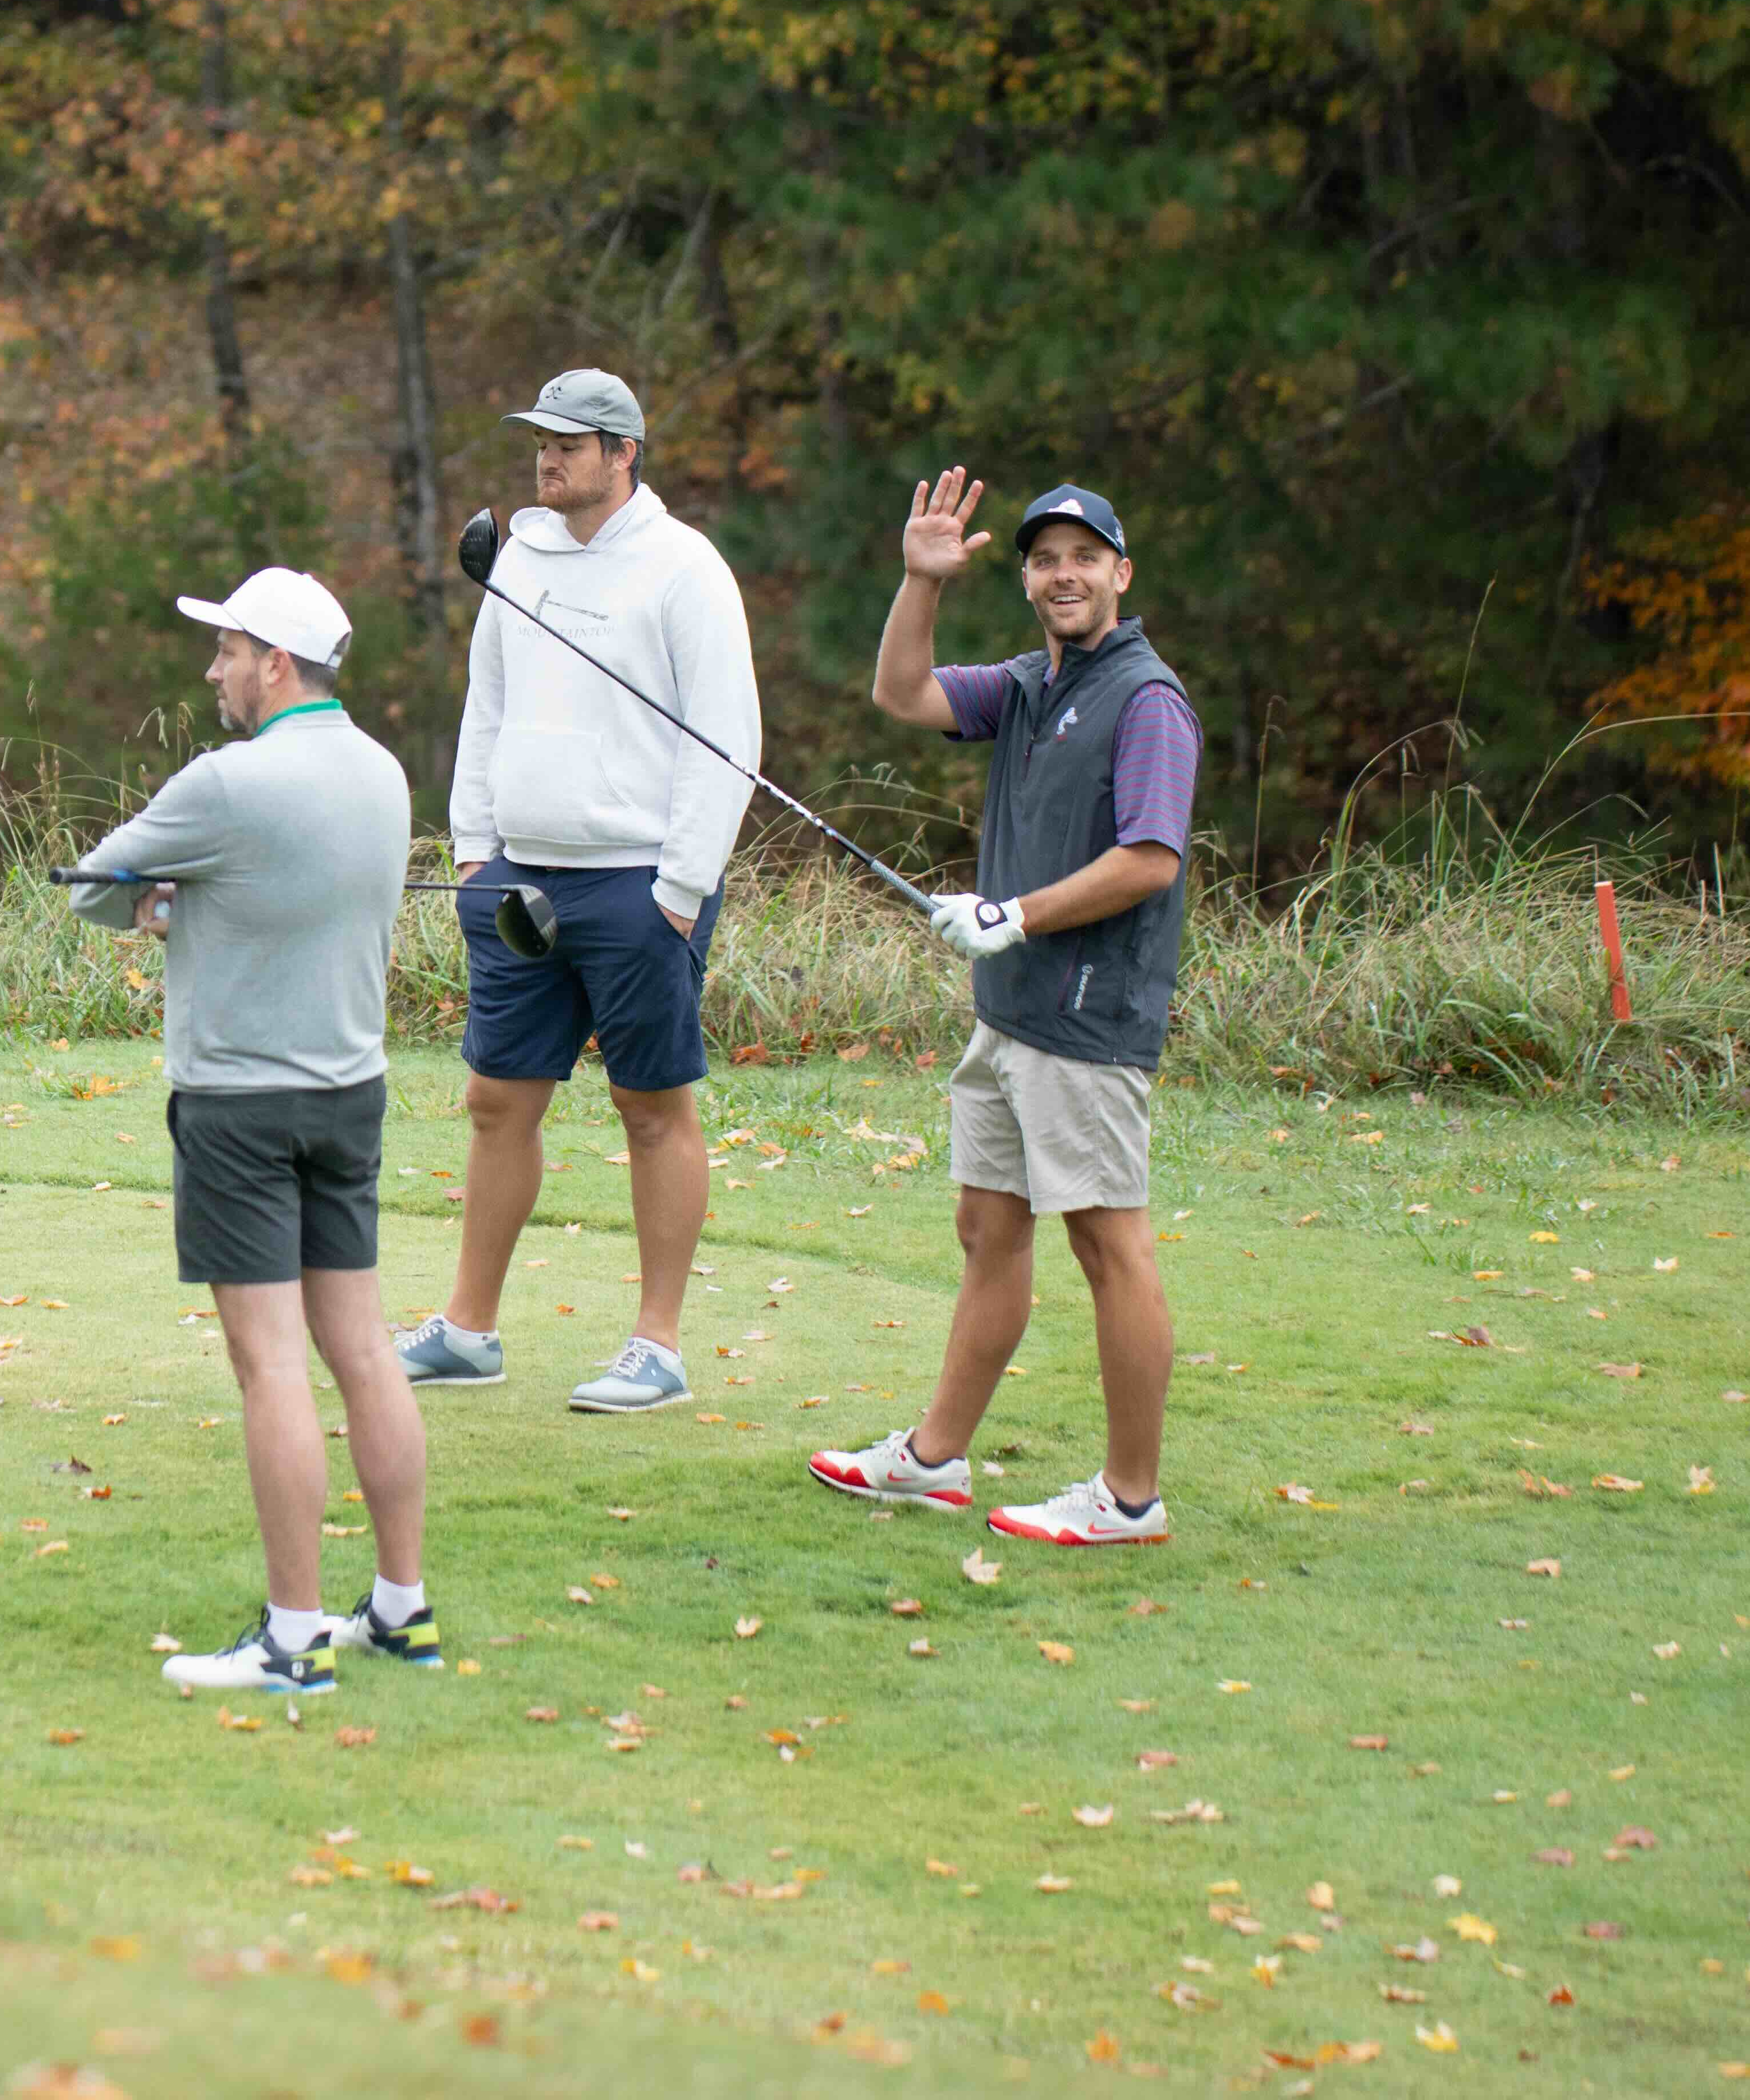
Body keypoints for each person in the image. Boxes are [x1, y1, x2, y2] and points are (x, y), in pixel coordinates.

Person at [806, 473, 1202, 1545]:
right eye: (1043, 559)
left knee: (1109, 1245)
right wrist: (919, 581)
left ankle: (1130, 1499)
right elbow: (905, 693)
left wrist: (1016, 916)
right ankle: (934, 1461)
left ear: (1122, 574)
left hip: (1087, 1014)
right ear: (1026, 578)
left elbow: (1151, 861)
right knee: (990, 1229)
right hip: (1011, 1012)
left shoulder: (1147, 700)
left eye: (1084, 557)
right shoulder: (1032, 685)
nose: (1062, 574)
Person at [66, 568, 436, 1694]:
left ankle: (292, 1637)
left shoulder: (224, 784)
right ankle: (401, 1607)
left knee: (270, 1362)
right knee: (363, 1347)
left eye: (227, 650)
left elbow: (91, 884)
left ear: (276, 661)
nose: (214, 669)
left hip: (240, 1106)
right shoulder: (383, 771)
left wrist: (153, 899)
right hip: (350, 1095)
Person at [395, 368, 759, 1415]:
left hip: (641, 882)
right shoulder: (521, 557)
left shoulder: (684, 568)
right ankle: (468, 1331)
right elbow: (488, 708)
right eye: (540, 441)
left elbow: (728, 739)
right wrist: (474, 854)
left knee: (652, 1108)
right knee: (496, 1100)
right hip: (518, 878)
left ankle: (658, 1344)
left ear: (623, 454)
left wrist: (681, 888)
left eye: (570, 442)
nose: (548, 458)